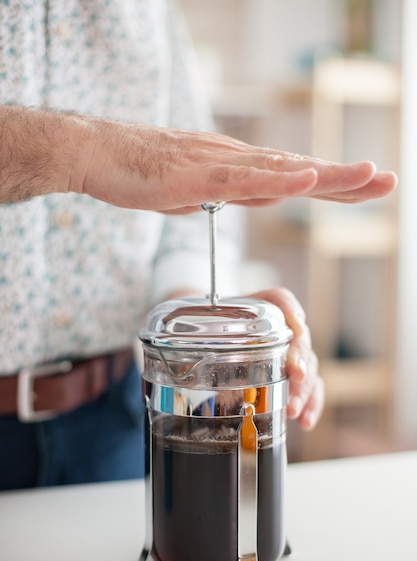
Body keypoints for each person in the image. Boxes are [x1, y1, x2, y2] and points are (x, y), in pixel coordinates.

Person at [0, 1, 397, 490]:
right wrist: (84, 152)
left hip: (117, 417)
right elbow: (144, 165)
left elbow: (190, 198)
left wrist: (201, 326)